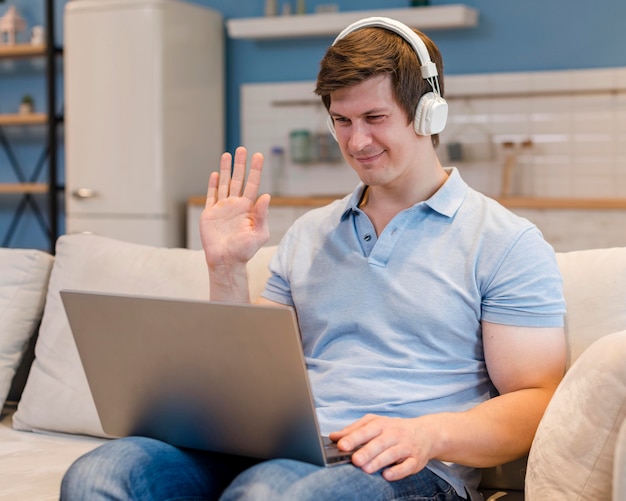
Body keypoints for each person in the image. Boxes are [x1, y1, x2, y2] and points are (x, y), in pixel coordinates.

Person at [61, 17, 566, 501]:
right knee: (102, 473)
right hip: (285, 453)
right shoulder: (309, 234)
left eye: (374, 118)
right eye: (341, 121)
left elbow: (538, 400)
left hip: (409, 470)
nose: (356, 141)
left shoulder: (505, 241)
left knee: (269, 492)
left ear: (429, 112)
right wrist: (225, 267)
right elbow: (247, 373)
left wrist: (427, 435)